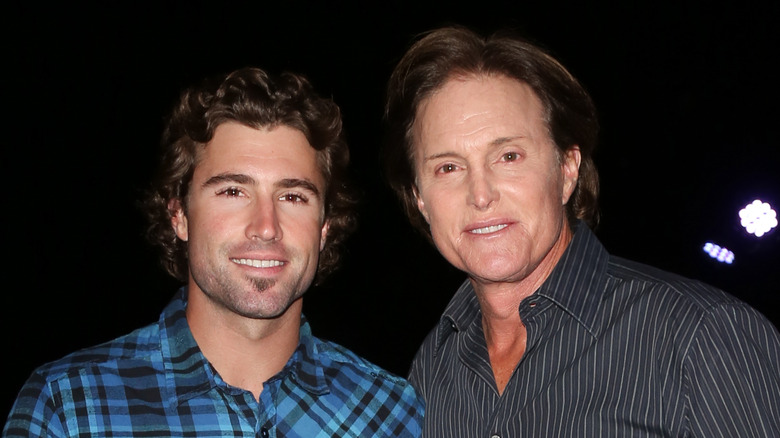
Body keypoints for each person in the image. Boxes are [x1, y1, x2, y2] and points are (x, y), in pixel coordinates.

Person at [383, 25, 780, 437]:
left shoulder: (701, 335)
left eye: (508, 156)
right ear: (420, 198)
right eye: (448, 167)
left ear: (567, 169)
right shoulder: (431, 369)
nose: (480, 194)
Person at [4, 67, 423, 437]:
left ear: (325, 226)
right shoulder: (71, 409)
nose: (266, 226)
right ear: (179, 215)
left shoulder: (393, 414)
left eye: (293, 197)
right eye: (233, 191)